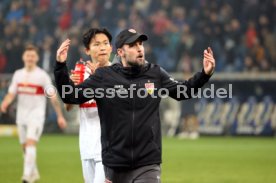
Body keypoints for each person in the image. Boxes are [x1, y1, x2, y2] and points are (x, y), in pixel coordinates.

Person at [54, 28, 215, 183]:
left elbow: (183, 92)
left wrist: (204, 74)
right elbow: (70, 96)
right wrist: (60, 66)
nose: (139, 49)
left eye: (140, 44)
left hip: (147, 162)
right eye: (132, 45)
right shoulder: (104, 77)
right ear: (120, 52)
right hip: (114, 164)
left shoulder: (156, 74)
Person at [0, 45, 67, 183]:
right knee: (25, 148)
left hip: (36, 116)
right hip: (21, 117)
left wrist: (60, 115)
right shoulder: (18, 74)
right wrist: (5, 103)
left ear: (37, 58)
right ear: (23, 57)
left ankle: (26, 177)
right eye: (28, 55)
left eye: (32, 56)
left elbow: (53, 97)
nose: (30, 58)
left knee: (30, 144)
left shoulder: (42, 76)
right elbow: (11, 94)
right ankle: (34, 173)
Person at [65, 28, 112, 183]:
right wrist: (73, 89)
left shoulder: (118, 73)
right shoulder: (81, 73)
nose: (102, 47)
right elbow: (69, 106)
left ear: (111, 48)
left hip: (109, 147)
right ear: (87, 50)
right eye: (97, 44)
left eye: (106, 43)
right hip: (86, 144)